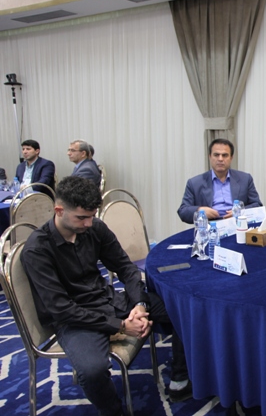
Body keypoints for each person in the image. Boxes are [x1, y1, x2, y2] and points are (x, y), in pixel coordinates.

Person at [21, 176, 192, 415]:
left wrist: (140, 304)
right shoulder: (37, 249)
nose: (89, 223)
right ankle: (113, 411)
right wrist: (121, 326)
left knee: (183, 309)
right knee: (92, 371)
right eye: (82, 217)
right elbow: (61, 309)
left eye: (92, 216)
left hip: (108, 301)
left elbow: (126, 268)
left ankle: (180, 378)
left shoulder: (94, 228)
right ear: (59, 211)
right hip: (74, 319)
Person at [178, 138, 262, 223]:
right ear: (210, 157)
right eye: (216, 155)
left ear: (231, 158)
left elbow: (257, 205)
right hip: (210, 226)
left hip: (238, 223)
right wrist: (200, 210)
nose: (220, 159)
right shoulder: (194, 183)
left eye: (225, 155)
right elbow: (183, 211)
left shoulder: (245, 179)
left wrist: (241, 212)